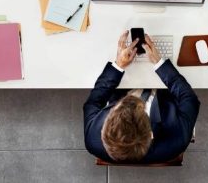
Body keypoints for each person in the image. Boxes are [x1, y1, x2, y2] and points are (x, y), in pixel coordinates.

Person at [83, 32, 200, 164]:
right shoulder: (178, 139)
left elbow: (93, 102)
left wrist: (118, 65)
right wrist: (159, 63)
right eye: (139, 109)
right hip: (164, 92)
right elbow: (189, 98)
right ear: (150, 132)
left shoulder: (93, 138)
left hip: (125, 79)